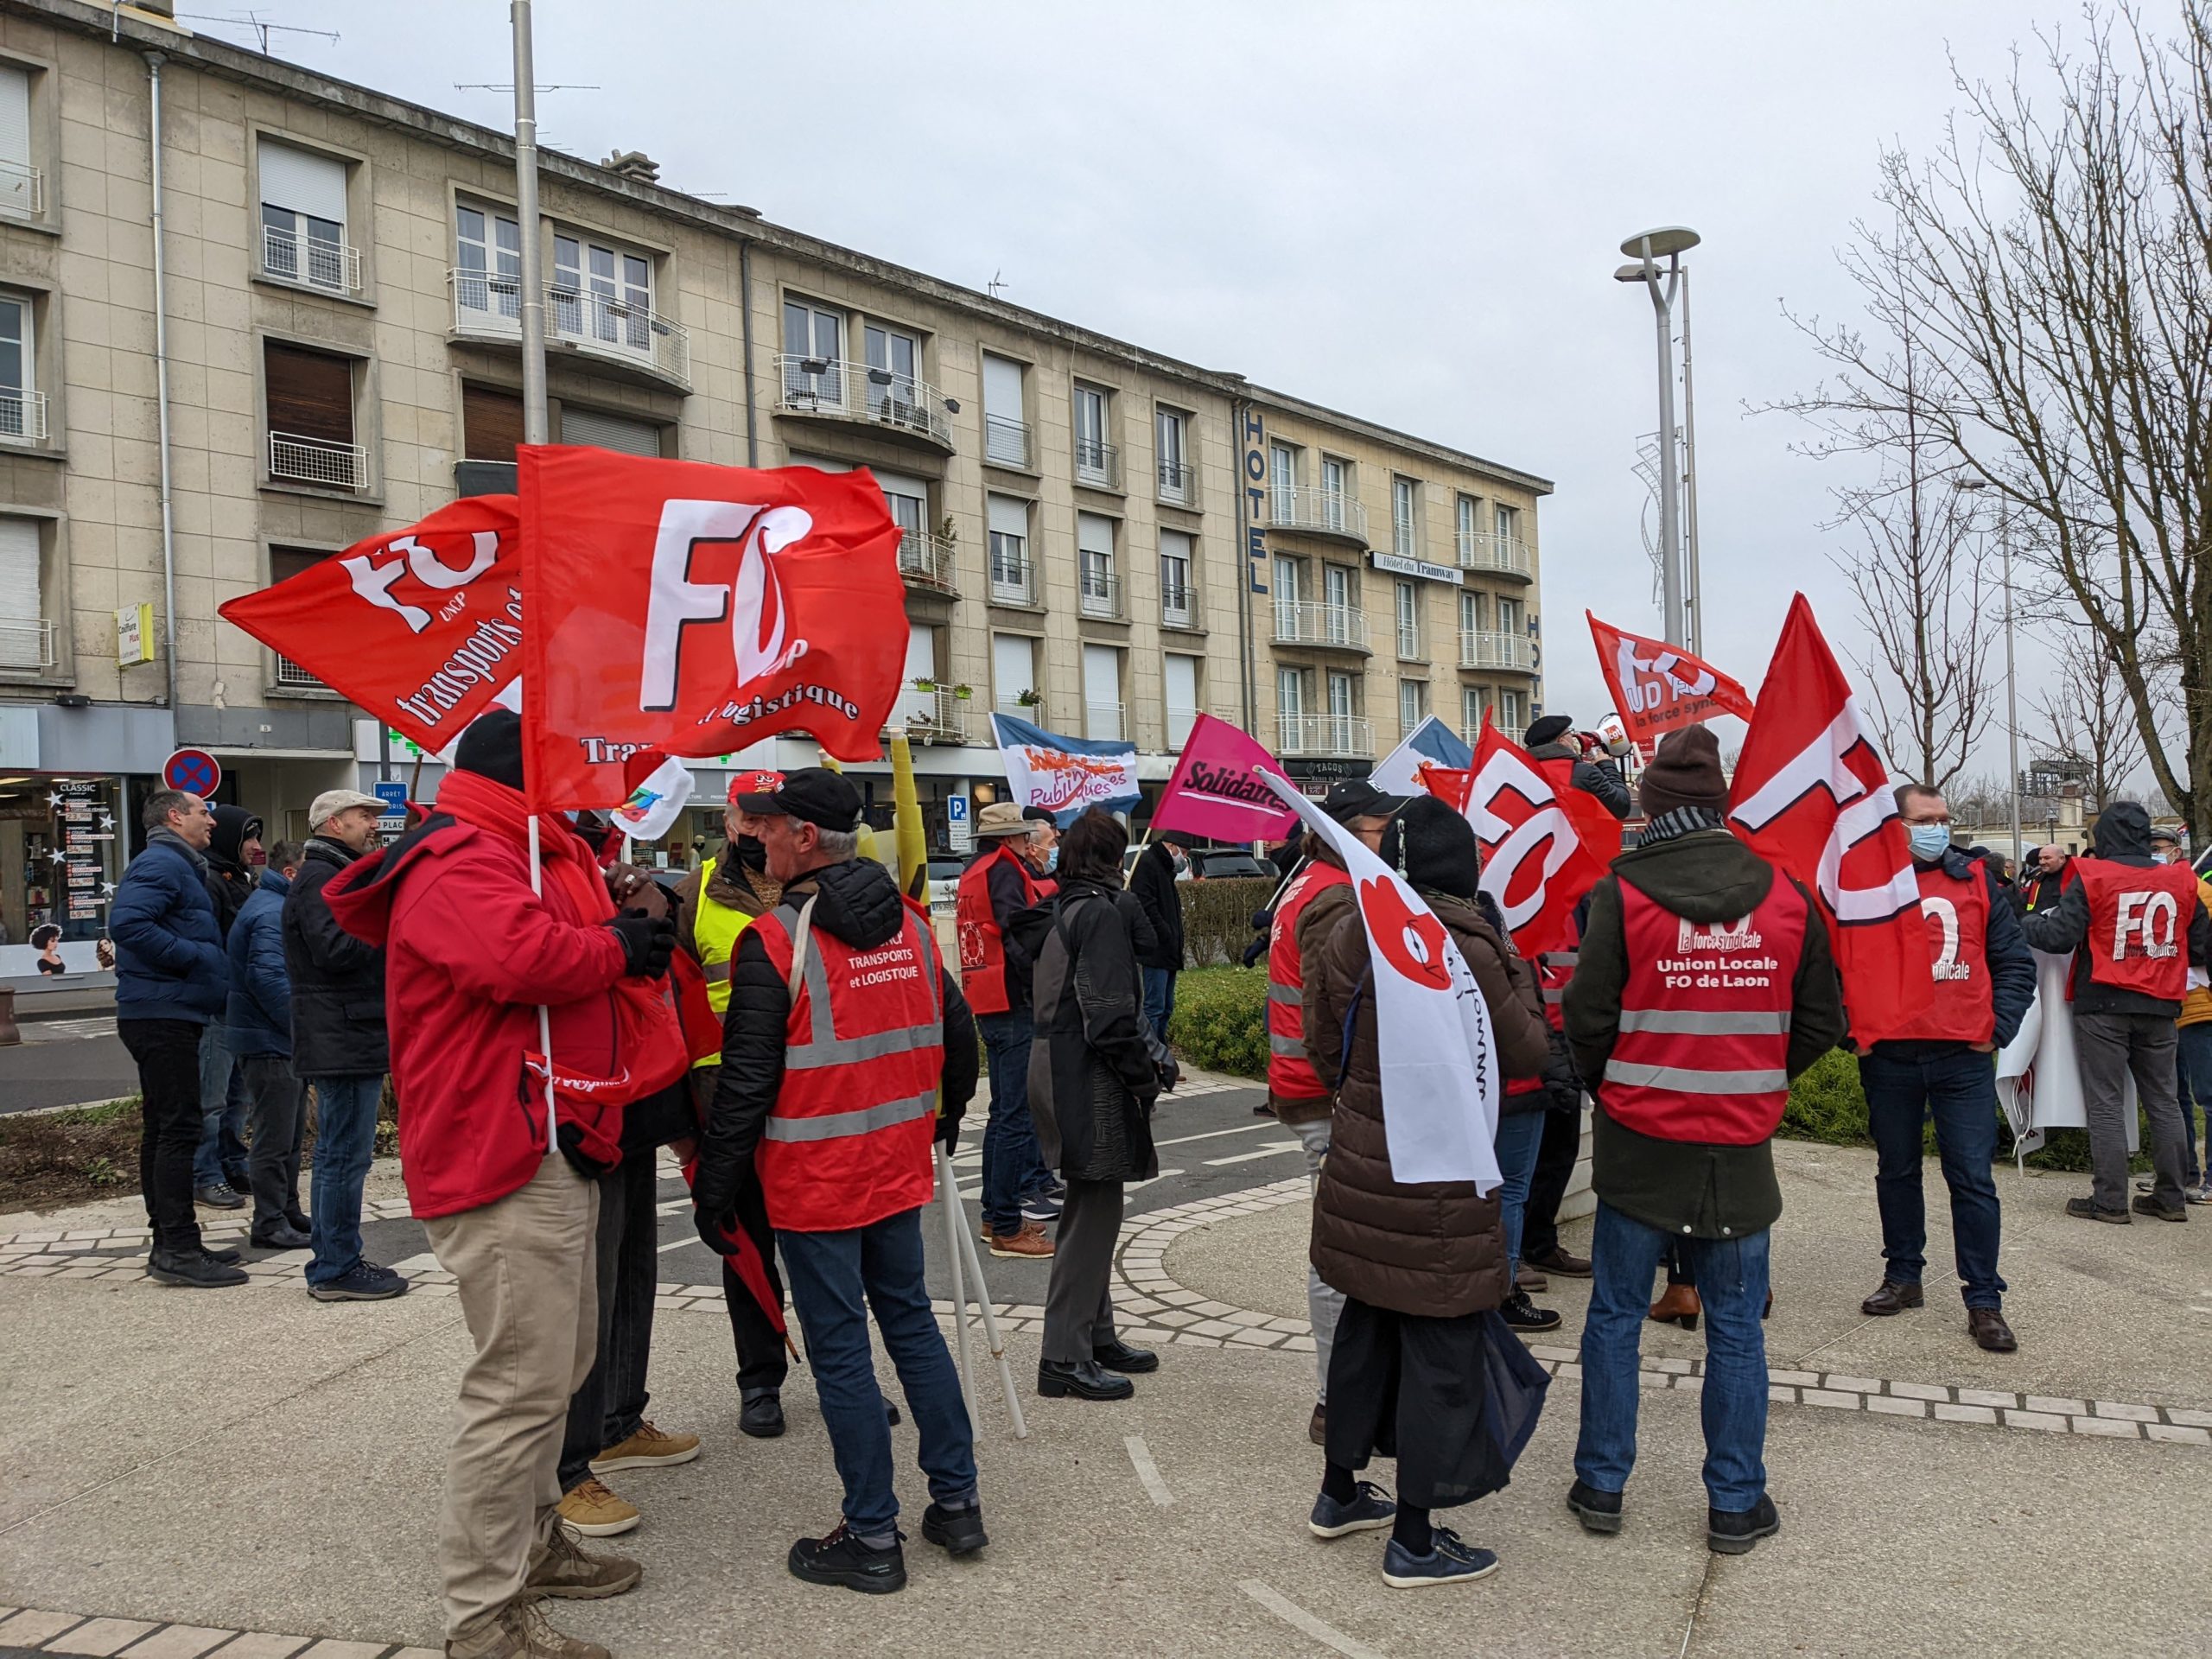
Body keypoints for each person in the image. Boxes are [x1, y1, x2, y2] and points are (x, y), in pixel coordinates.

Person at [324, 710, 673, 1659]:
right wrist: (617, 945)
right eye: (562, 768)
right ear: (525, 778)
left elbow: (546, 939)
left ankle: (534, 1545)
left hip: (545, 1136)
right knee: (519, 1388)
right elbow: (519, 958)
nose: (580, 783)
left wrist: (615, 912)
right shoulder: (459, 857)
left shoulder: (519, 848)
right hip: (502, 1146)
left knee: (555, 1369)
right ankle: (483, 1622)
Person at [690, 768, 984, 1595]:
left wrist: (715, 1192)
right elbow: (959, 1037)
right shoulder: (913, 924)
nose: (757, 837)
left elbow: (745, 1084)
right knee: (912, 1324)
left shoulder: (775, 941)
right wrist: (944, 1118)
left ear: (805, 838)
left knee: (843, 1352)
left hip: (814, 1180)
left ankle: (872, 1535)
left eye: (769, 825)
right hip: (895, 1164)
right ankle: (958, 1503)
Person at [1560, 724, 1846, 1557]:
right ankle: (1735, 1502)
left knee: (1615, 1316)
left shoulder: (1621, 896)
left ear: (1650, 808)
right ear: (1721, 805)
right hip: (1740, 1149)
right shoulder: (1788, 896)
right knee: (1738, 1329)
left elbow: (1586, 1016)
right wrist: (1758, 1075)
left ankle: (1602, 1484)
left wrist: (1615, 1087)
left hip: (1638, 1141)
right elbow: (1823, 1020)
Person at [1303, 796, 1551, 1589]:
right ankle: (1413, 1540)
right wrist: (1513, 959)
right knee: (1442, 1354)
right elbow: (1529, 1049)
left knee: (1366, 1331)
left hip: (1362, 1168)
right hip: (1440, 1179)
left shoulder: (1354, 928)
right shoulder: (1468, 943)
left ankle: (1340, 1493)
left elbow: (1321, 1041)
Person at [1857, 786, 2037, 1352]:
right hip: (1890, 1055)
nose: (1938, 827)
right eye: (1925, 819)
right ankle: (1903, 1276)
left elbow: (2015, 963)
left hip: (1962, 1057)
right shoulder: (1866, 882)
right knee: (1896, 1170)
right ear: (1896, 824)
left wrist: (1996, 1028)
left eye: (1943, 817)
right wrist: (1852, 1032)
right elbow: (1837, 963)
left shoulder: (1977, 880)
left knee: (1972, 1179)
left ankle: (1984, 1299)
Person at [1268, 777, 1411, 1447]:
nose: (1393, 838)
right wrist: (1354, 1091)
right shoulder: (1334, 897)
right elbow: (1333, 1016)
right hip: (1324, 1095)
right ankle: (1335, 1400)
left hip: (1312, 1088)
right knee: (1338, 1254)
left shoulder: (1317, 883)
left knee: (1343, 1245)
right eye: (1384, 828)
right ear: (1351, 833)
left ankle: (1349, 1392)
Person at [1028, 808, 1174, 1402]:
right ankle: (1064, 1355)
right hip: (1086, 1076)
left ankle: (1094, 1333)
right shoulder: (1100, 913)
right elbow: (1110, 1017)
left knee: (1090, 1209)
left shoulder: (1065, 906)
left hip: (1054, 1065)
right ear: (1115, 857)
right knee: (1092, 1215)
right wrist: (1147, 1077)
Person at [2021, 801, 2209, 1224]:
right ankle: (2171, 1197)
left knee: (2106, 1103)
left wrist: (2025, 921)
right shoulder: (2181, 879)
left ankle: (2109, 1201)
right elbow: (2200, 945)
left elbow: (2058, 936)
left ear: (2102, 837)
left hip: (2103, 1002)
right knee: (2164, 1101)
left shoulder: (2094, 876)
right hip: (2161, 1003)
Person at [674, 772, 792, 1439]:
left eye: (773, 819)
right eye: (751, 819)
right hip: (726, 1100)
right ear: (728, 822)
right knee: (747, 1246)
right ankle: (760, 1381)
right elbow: (669, 1007)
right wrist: (683, 1120)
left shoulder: (816, 884)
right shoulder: (691, 896)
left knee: (829, 1248)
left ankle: (846, 1373)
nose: (761, 831)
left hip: (809, 1094)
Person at [111, 789, 245, 1290]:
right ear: (174, 816)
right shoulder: (162, 863)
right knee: (178, 1128)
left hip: (166, 1010)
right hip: (161, 1012)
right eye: (203, 811)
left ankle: (172, 1240)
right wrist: (197, 957)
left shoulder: (178, 863)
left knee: (165, 1128)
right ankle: (178, 1250)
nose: (211, 821)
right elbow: (128, 924)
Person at [1518, 713, 1631, 1287]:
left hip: (1524, 1017)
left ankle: (1529, 1245)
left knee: (1529, 1141)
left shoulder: (1513, 787)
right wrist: (1603, 763)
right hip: (1562, 1024)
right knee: (1557, 1141)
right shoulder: (1582, 777)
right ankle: (1530, 1246)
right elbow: (1622, 804)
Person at [284, 789, 409, 1303]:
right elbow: (334, 950)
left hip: (348, 1030)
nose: (374, 825)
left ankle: (336, 1260)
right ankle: (335, 1266)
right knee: (342, 1157)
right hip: (342, 1033)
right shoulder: (322, 878)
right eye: (365, 816)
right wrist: (389, 923)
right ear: (334, 823)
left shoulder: (336, 873)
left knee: (344, 1155)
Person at [956, 800, 1060, 1259]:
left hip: (987, 995)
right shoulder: (1003, 869)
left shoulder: (975, 869)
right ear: (1011, 838)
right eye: (1022, 834)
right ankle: (1005, 1226)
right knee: (1015, 1117)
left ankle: (995, 1215)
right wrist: (1041, 977)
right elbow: (1018, 929)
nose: (1027, 841)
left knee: (1003, 1115)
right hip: (1012, 998)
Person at [226, 839, 312, 1249]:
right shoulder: (270, 912)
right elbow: (268, 979)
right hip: (269, 1042)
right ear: (291, 874)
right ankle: (269, 1222)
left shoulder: (276, 905)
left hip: (277, 1040)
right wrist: (304, 1029)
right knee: (274, 1138)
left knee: (288, 1137)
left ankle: (286, 1210)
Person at [192, 804, 264, 1210]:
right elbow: (212, 940)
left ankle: (232, 1162)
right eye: (249, 837)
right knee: (213, 1097)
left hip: (239, 1004)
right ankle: (205, 1174)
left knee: (238, 1096)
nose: (255, 845)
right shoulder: (210, 881)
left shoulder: (241, 879)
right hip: (218, 1004)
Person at [2168, 843, 2212, 1203]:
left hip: (2200, 1007)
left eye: (2158, 849)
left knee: (2207, 1097)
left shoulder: (2202, 894)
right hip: (2173, 1006)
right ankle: (2183, 1173)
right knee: (2175, 1094)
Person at [1128, 829, 1189, 1041]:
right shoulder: (1148, 864)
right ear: (1171, 846)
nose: (1185, 859)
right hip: (1156, 949)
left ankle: (1161, 1050)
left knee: (1166, 1006)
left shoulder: (1165, 867)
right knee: (1154, 1007)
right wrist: (1165, 933)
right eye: (1184, 852)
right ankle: (1152, 1054)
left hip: (1169, 949)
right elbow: (1146, 905)